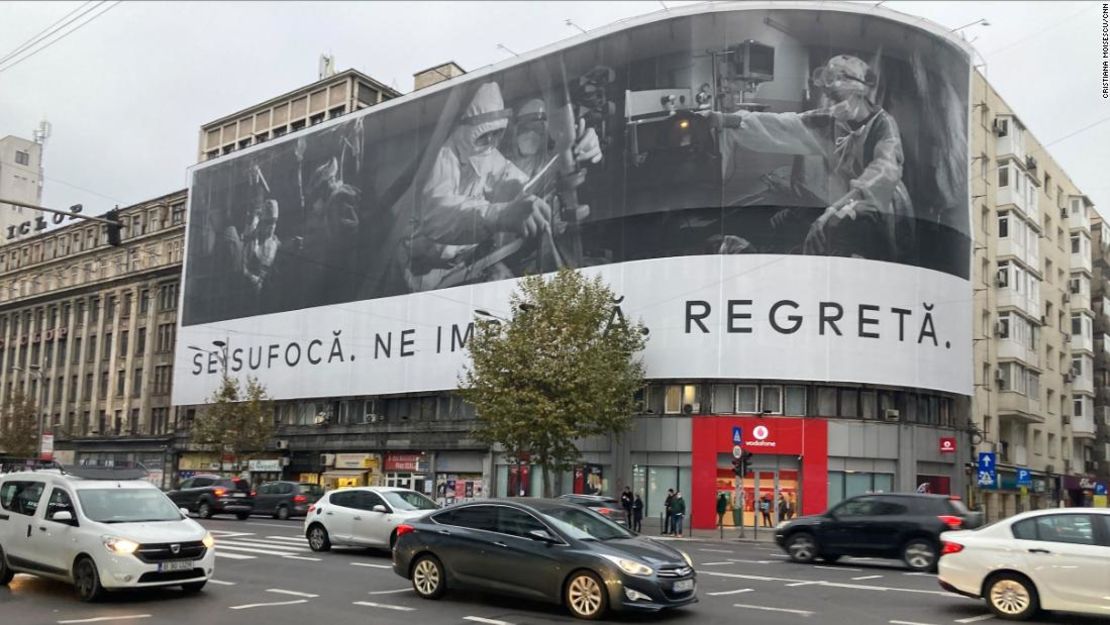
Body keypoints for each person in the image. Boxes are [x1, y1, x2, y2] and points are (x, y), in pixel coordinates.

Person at [703, 54, 915, 264]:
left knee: (877, 262)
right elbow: (784, 125)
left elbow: (883, 172)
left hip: (879, 202)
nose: (831, 103)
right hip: (843, 205)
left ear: (859, 93)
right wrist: (727, 120)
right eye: (829, 97)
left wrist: (834, 213)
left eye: (837, 98)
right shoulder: (829, 120)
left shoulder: (882, 125)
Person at [410, 81, 552, 291]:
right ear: (467, 128)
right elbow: (438, 213)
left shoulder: (486, 152)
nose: (492, 141)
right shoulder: (443, 155)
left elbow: (513, 181)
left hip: (458, 264)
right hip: (420, 273)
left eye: (497, 133)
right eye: (486, 134)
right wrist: (498, 215)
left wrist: (546, 184)